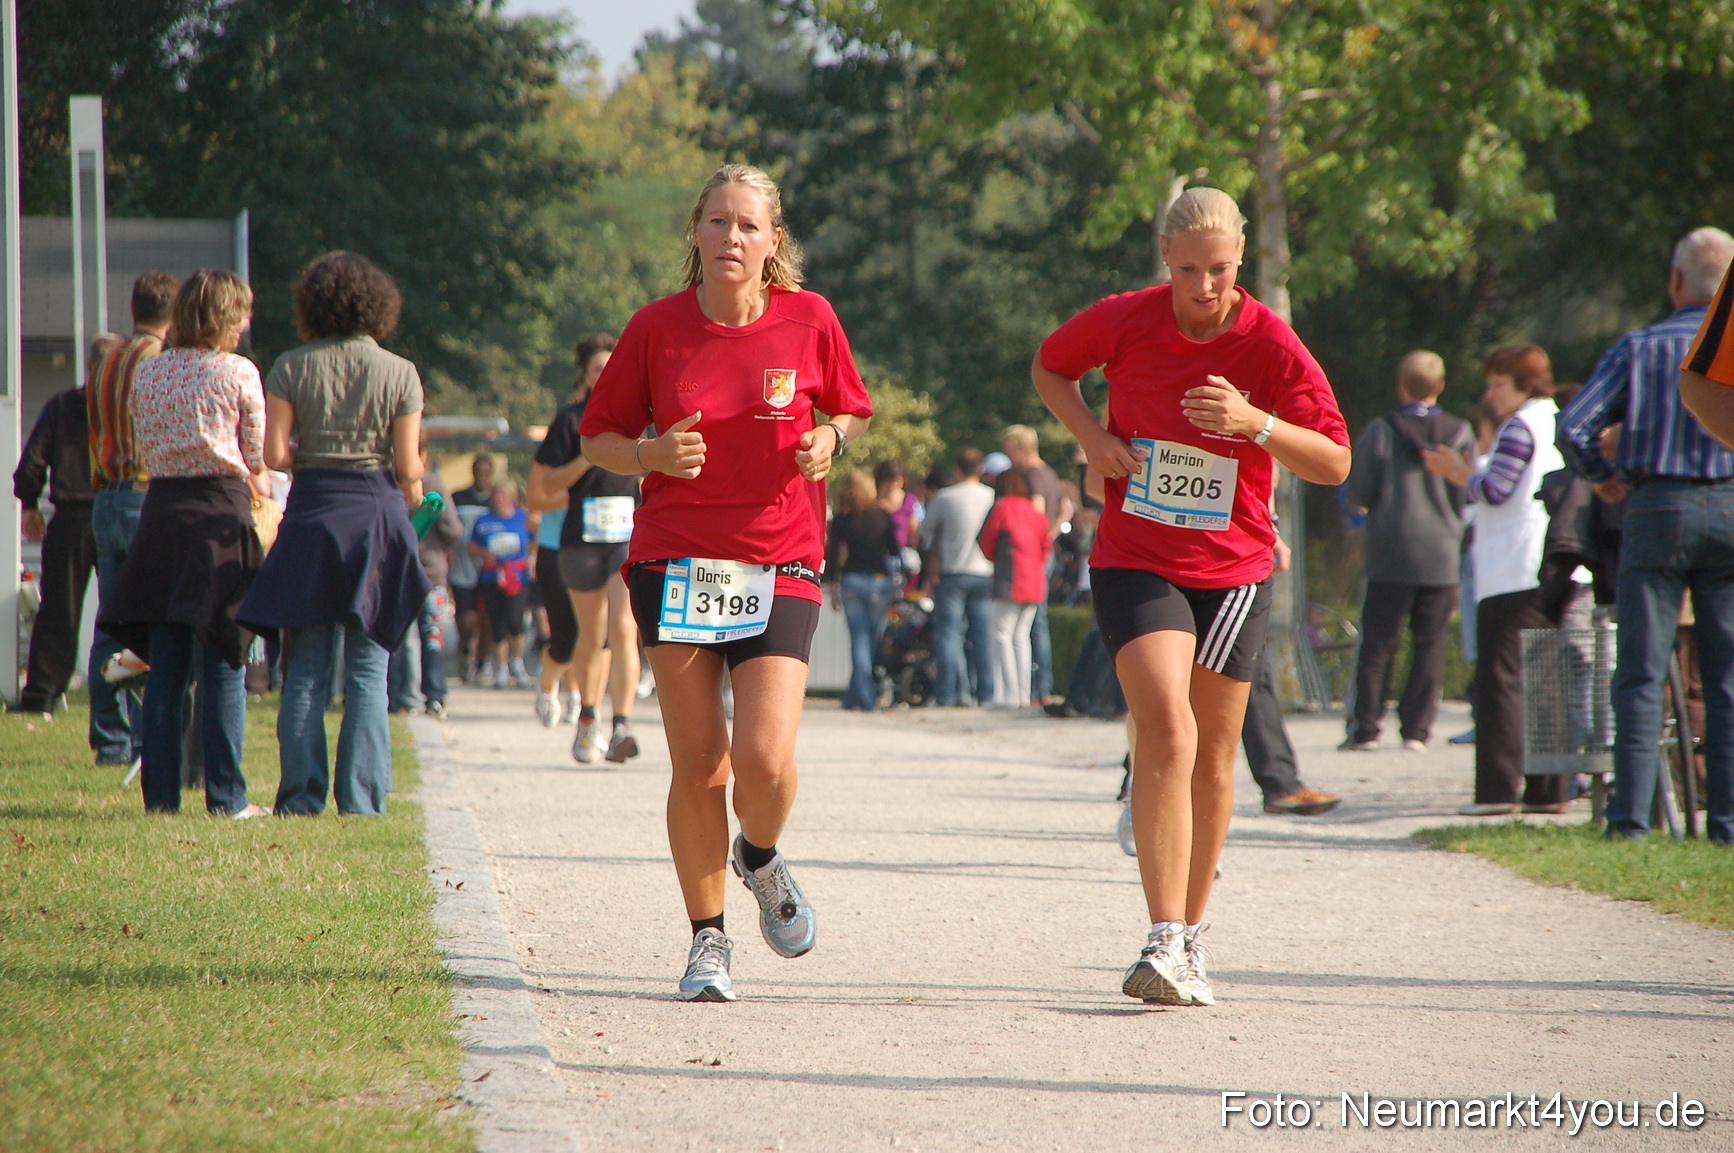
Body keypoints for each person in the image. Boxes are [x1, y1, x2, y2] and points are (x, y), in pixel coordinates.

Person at [1032, 186, 1350, 1006]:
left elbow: (1335, 461)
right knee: (1166, 726)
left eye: (1219, 270)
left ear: (1241, 260)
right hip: (1136, 553)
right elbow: (1051, 365)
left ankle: (1194, 938)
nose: (1205, 287)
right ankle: (1162, 936)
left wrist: (1255, 423)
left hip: (1235, 568)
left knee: (1214, 751)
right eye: (1188, 271)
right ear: (1164, 263)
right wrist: (1093, 439)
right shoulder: (1127, 318)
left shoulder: (1271, 342)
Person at [578, 163, 873, 1001]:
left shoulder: (811, 319)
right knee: (700, 762)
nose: (733, 238)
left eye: (749, 225)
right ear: (696, 234)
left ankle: (761, 855)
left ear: (774, 241)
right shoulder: (656, 329)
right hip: (675, 561)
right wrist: (649, 455)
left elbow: (851, 406)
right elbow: (599, 435)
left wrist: (832, 442)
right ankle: (708, 941)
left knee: (766, 762)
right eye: (719, 223)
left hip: (779, 561)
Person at [238, 251, 431, 817]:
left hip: (314, 516)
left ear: (311, 304)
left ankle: (299, 799)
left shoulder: (290, 366)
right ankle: (363, 800)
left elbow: (274, 454)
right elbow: (407, 468)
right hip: (376, 517)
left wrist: (315, 452)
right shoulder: (401, 372)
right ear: (378, 306)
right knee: (369, 670)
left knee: (306, 671)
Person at [1562, 227, 1734, 844]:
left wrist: (1605, 479)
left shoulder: (1641, 348)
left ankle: (1631, 821)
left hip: (1657, 506)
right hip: (1730, 508)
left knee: (1640, 670)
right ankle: (1726, 821)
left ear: (1676, 281)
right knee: (1724, 676)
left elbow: (1576, 424)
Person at [98, 269, 271, 818]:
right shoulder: (238, 372)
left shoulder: (148, 374)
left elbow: (142, 433)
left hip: (162, 514)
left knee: (168, 667)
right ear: (222, 317)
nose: (246, 323)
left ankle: (161, 799)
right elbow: (255, 454)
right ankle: (227, 797)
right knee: (223, 657)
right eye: (240, 312)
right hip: (220, 515)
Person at [1422, 344, 1570, 816]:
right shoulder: (1554, 419)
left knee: (1500, 681)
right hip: (1551, 560)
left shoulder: (1518, 427)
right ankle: (1550, 790)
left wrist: (1459, 473)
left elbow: (1494, 489)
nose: (1491, 394)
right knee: (1545, 678)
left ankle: (1498, 790)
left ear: (1526, 383)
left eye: (1498, 384)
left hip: (1510, 567)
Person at [1340, 351, 1474, 751]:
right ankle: (1416, 731)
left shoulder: (1382, 430)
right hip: (1442, 553)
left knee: (1379, 642)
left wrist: (1355, 509)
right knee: (1430, 644)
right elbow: (1469, 487)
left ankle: (1365, 728)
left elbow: (1358, 490)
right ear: (1440, 387)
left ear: (1400, 385)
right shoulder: (1460, 431)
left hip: (1390, 551)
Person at [528, 333, 644, 763]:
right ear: (586, 375)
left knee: (624, 630)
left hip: (626, 539)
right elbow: (548, 486)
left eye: (611, 367)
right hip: (580, 542)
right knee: (590, 636)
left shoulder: (638, 417)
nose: (605, 375)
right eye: (597, 369)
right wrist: (590, 457)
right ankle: (588, 720)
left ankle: (622, 726)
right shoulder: (570, 420)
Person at [84, 272, 178, 766]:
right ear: (174, 313)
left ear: (132, 305)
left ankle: (110, 741)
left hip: (105, 497)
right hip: (144, 493)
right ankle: (146, 733)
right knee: (151, 623)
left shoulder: (104, 362)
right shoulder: (158, 362)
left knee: (109, 626)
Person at [10, 337, 114, 717]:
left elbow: (32, 461)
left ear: (88, 367)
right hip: (115, 508)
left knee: (59, 610)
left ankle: (41, 693)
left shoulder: (62, 406)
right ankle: (118, 693)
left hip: (70, 517)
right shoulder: (127, 406)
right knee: (120, 608)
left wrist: (30, 504)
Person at [390, 434, 462, 719]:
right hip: (431, 573)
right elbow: (454, 531)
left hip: (397, 573)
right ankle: (435, 697)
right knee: (433, 638)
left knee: (401, 639)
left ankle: (401, 698)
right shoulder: (433, 484)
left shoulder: (387, 482)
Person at [922, 447, 997, 706]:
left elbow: (925, 531)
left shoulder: (945, 497)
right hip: (983, 571)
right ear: (980, 470)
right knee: (982, 636)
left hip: (952, 571)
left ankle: (948, 693)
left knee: (948, 635)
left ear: (956, 469)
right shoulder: (990, 496)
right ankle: (985, 694)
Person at [1003, 424, 1072, 704]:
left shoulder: (1032, 475)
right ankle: (1042, 686)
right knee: (1036, 619)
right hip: (1048, 550)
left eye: (1009, 449)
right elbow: (1065, 509)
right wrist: (1053, 534)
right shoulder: (1050, 473)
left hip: (1034, 554)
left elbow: (1036, 512)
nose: (1008, 456)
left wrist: (1039, 539)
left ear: (1021, 447)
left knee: (1032, 622)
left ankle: (1038, 688)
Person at [824, 468, 900, 711]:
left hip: (852, 581)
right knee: (871, 641)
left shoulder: (842, 518)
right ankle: (865, 699)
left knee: (859, 640)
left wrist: (833, 586)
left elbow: (834, 555)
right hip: (879, 582)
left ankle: (856, 698)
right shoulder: (882, 516)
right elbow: (895, 551)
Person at [977, 467, 1052, 707]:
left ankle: (1004, 695)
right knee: (1021, 638)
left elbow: (986, 541)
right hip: (1034, 580)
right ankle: (1022, 694)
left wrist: (995, 560)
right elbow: (1045, 545)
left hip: (1009, 579)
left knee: (1001, 636)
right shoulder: (1035, 511)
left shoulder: (1002, 507)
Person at [468, 480, 533, 689]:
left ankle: (517, 662)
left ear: (513, 497)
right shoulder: (483, 520)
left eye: (503, 495)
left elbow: (535, 540)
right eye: (495, 495)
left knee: (515, 619)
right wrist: (482, 554)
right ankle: (501, 668)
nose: (498, 499)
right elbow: (471, 547)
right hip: (491, 577)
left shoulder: (524, 518)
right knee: (496, 622)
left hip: (517, 577)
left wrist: (532, 558)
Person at [449, 454, 494, 682]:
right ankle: (465, 648)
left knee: (487, 619)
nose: (482, 477)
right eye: (479, 472)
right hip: (462, 568)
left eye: (487, 473)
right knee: (466, 618)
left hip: (488, 570)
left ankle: (481, 661)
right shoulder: (458, 497)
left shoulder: (497, 499)